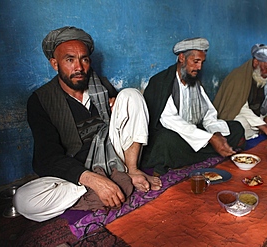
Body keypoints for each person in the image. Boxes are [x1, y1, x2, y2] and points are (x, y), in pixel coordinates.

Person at [13, 26, 161, 222]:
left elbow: (124, 124)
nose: (79, 67)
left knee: (131, 95)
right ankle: (112, 185)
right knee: (23, 200)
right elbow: (46, 157)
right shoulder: (41, 100)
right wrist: (93, 180)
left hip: (113, 158)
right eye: (69, 60)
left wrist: (117, 107)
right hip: (77, 169)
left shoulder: (102, 86)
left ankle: (131, 172)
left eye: (84, 59)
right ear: (55, 64)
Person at [140, 37, 245, 175]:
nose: (199, 67)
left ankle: (187, 158)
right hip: (173, 135)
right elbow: (171, 121)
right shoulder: (162, 82)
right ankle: (189, 156)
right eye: (195, 61)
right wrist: (210, 139)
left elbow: (208, 114)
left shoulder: (194, 81)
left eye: (202, 62)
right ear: (182, 58)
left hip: (194, 134)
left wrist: (216, 134)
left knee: (236, 127)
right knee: (166, 141)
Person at [213, 44, 267, 141]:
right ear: (256, 62)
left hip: (259, 116)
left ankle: (259, 131)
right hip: (243, 115)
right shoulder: (238, 77)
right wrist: (264, 127)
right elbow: (241, 107)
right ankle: (258, 132)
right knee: (240, 123)